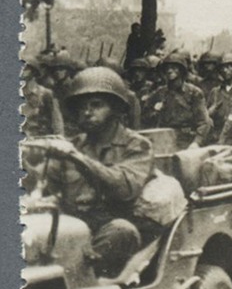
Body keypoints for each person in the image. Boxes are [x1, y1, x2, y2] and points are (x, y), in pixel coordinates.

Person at [33, 67, 158, 277]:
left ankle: (74, 280)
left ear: (116, 108)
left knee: (121, 230)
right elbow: (45, 186)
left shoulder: (137, 146)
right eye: (82, 107)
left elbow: (125, 188)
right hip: (73, 227)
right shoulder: (75, 144)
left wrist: (78, 158)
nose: (87, 112)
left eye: (96, 105)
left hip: (114, 229)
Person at [143, 51, 212, 148]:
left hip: (186, 140)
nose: (169, 71)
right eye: (167, 68)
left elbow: (204, 122)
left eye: (174, 68)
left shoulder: (194, 93)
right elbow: (145, 116)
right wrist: (155, 111)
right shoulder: (160, 92)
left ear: (181, 71)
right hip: (163, 139)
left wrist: (196, 143)